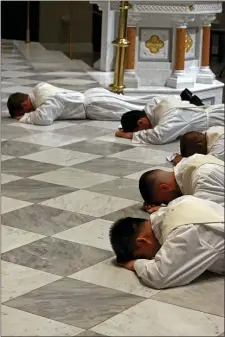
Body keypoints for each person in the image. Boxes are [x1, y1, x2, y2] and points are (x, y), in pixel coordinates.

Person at [109, 195, 224, 289]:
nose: (151, 258)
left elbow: (160, 276)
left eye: (144, 256)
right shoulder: (179, 202)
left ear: (142, 242)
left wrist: (134, 263)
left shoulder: (184, 232)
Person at [7, 82, 165, 125]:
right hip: (93, 95)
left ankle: (162, 111)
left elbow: (44, 119)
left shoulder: (47, 100)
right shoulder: (40, 89)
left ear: (24, 105)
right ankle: (162, 102)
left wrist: (26, 119)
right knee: (131, 103)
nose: (27, 113)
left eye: (24, 112)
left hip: (95, 105)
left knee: (133, 109)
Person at [115, 95, 224, 145]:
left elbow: (160, 136)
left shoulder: (172, 115)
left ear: (140, 122)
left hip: (218, 119)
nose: (144, 131)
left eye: (139, 130)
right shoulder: (155, 104)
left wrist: (131, 135)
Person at [139, 154, 224, 212]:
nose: (168, 203)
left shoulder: (202, 178)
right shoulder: (187, 163)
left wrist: (164, 211)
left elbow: (210, 213)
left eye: (164, 201)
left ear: (164, 187)